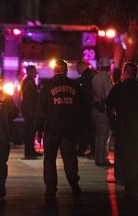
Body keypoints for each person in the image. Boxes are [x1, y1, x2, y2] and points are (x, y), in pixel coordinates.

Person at [35, 59, 85, 199]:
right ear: (66, 70)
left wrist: (38, 128)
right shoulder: (74, 86)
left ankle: (50, 189)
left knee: (50, 160)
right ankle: (74, 183)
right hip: (69, 130)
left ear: (54, 70)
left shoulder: (47, 86)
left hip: (51, 129)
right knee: (70, 158)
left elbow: (41, 109)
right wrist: (80, 128)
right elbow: (81, 109)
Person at [106, 62, 138, 202]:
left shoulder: (118, 89)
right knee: (135, 158)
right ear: (135, 74)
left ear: (125, 72)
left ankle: (129, 190)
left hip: (123, 129)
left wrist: (113, 124)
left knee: (125, 160)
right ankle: (134, 188)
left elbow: (109, 108)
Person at [91, 58, 114, 166]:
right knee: (104, 135)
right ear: (109, 66)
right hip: (103, 109)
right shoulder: (107, 78)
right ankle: (102, 159)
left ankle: (98, 158)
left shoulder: (95, 77)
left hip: (95, 108)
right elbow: (108, 95)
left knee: (98, 134)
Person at [76, 60, 97, 157]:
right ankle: (89, 149)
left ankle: (84, 149)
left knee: (87, 129)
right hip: (89, 106)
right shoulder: (91, 75)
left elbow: (86, 93)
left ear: (81, 67)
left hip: (87, 107)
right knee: (89, 129)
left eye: (77, 68)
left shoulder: (87, 76)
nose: (77, 71)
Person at [21, 65, 43, 159]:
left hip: (29, 108)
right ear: (30, 72)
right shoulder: (29, 82)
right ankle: (29, 152)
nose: (36, 73)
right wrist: (31, 110)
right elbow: (29, 97)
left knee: (30, 131)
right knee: (29, 131)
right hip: (29, 109)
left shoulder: (29, 81)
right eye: (34, 71)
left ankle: (30, 151)